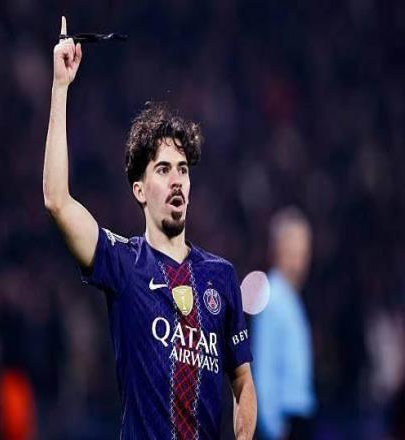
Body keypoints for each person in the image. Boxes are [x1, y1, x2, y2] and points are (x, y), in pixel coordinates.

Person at [43, 16, 256, 440]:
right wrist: (61, 87)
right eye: (163, 169)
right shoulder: (123, 263)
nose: (177, 180)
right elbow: (57, 200)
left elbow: (243, 381)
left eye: (183, 169)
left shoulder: (221, 276)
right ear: (139, 190)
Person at [251, 207, 316, 440]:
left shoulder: (290, 297)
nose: (302, 257)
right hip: (285, 421)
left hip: (298, 416)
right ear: (279, 248)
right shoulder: (273, 297)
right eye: (295, 247)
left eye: (304, 248)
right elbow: (264, 366)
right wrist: (273, 427)